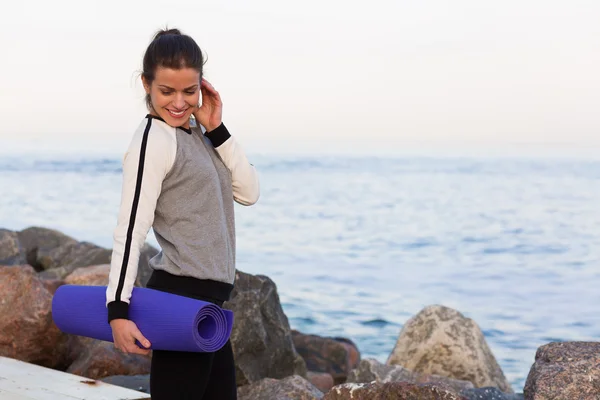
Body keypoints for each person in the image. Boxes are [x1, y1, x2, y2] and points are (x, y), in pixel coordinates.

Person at [105, 27, 259, 400]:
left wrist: (217, 128)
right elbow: (131, 230)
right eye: (166, 91)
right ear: (146, 85)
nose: (178, 102)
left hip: (211, 305)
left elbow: (249, 193)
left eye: (189, 91)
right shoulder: (152, 139)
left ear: (202, 87)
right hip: (179, 302)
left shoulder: (200, 136)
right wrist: (118, 312)